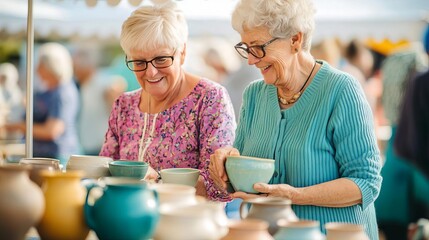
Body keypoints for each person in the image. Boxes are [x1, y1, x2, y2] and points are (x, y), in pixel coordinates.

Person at [208, 0, 382, 238]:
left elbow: (366, 182)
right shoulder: (254, 95)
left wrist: (293, 195)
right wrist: (226, 165)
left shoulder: (341, 90)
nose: (250, 60)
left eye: (258, 47)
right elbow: (244, 174)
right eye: (246, 48)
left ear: (295, 40)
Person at [99, 2, 236, 200]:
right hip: (128, 223)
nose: (151, 72)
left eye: (161, 59)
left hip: (188, 225)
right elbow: (106, 168)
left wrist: (159, 183)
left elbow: (220, 187)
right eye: (139, 62)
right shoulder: (124, 105)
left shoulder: (209, 98)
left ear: (182, 53)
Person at [4, 42, 81, 166]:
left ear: (51, 66)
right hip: (43, 155)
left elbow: (52, 130)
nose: (36, 69)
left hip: (55, 157)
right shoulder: (50, 89)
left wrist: (19, 126)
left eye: (40, 64)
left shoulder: (62, 92)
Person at [72, 45, 127, 155]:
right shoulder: (81, 84)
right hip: (86, 146)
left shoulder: (101, 81)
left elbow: (118, 84)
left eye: (75, 68)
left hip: (101, 146)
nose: (74, 71)